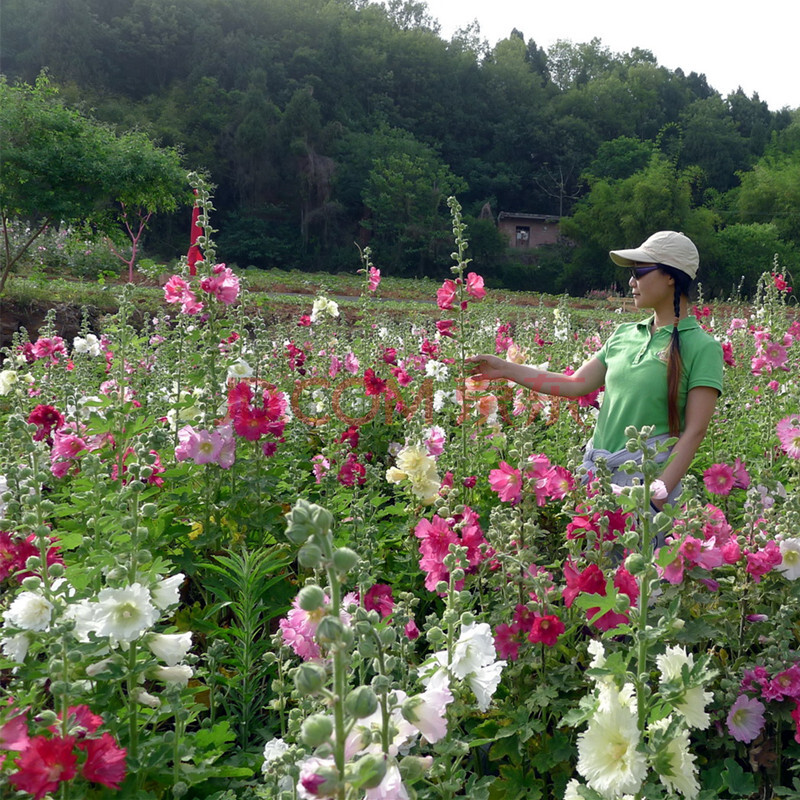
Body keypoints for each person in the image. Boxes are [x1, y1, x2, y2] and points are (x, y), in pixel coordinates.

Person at [467, 231, 723, 510]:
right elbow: (575, 383)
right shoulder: (625, 334)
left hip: (647, 482)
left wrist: (659, 491)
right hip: (599, 474)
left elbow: (695, 430)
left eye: (639, 271)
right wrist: (505, 368)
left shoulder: (702, 347)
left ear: (671, 276)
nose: (631, 281)